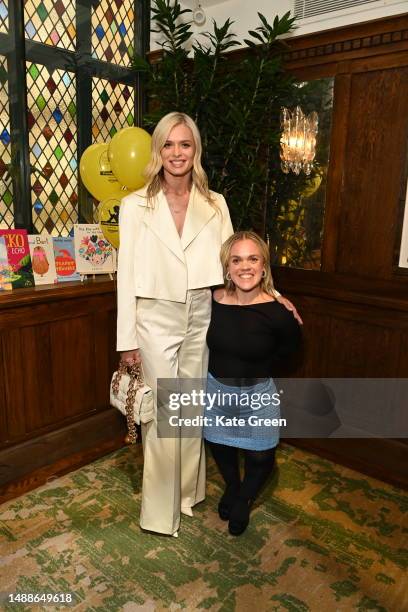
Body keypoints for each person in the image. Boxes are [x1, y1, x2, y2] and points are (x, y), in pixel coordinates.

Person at [116, 112, 300, 537]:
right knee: (163, 418)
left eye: (185, 144)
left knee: (193, 413)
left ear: (195, 151)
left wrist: (273, 296)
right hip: (154, 317)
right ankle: (160, 513)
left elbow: (237, 262)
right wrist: (127, 340)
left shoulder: (215, 203)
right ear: (157, 151)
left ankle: (188, 494)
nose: (176, 153)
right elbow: (126, 275)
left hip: (202, 314)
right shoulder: (134, 205)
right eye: (168, 144)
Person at [203, 231, 301, 535]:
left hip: (257, 396)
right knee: (220, 447)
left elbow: (290, 350)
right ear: (227, 268)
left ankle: (244, 499)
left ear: (263, 266)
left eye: (252, 259)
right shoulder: (212, 301)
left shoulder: (279, 311)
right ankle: (232, 487)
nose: (245, 267)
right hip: (216, 393)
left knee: (261, 456)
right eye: (237, 259)